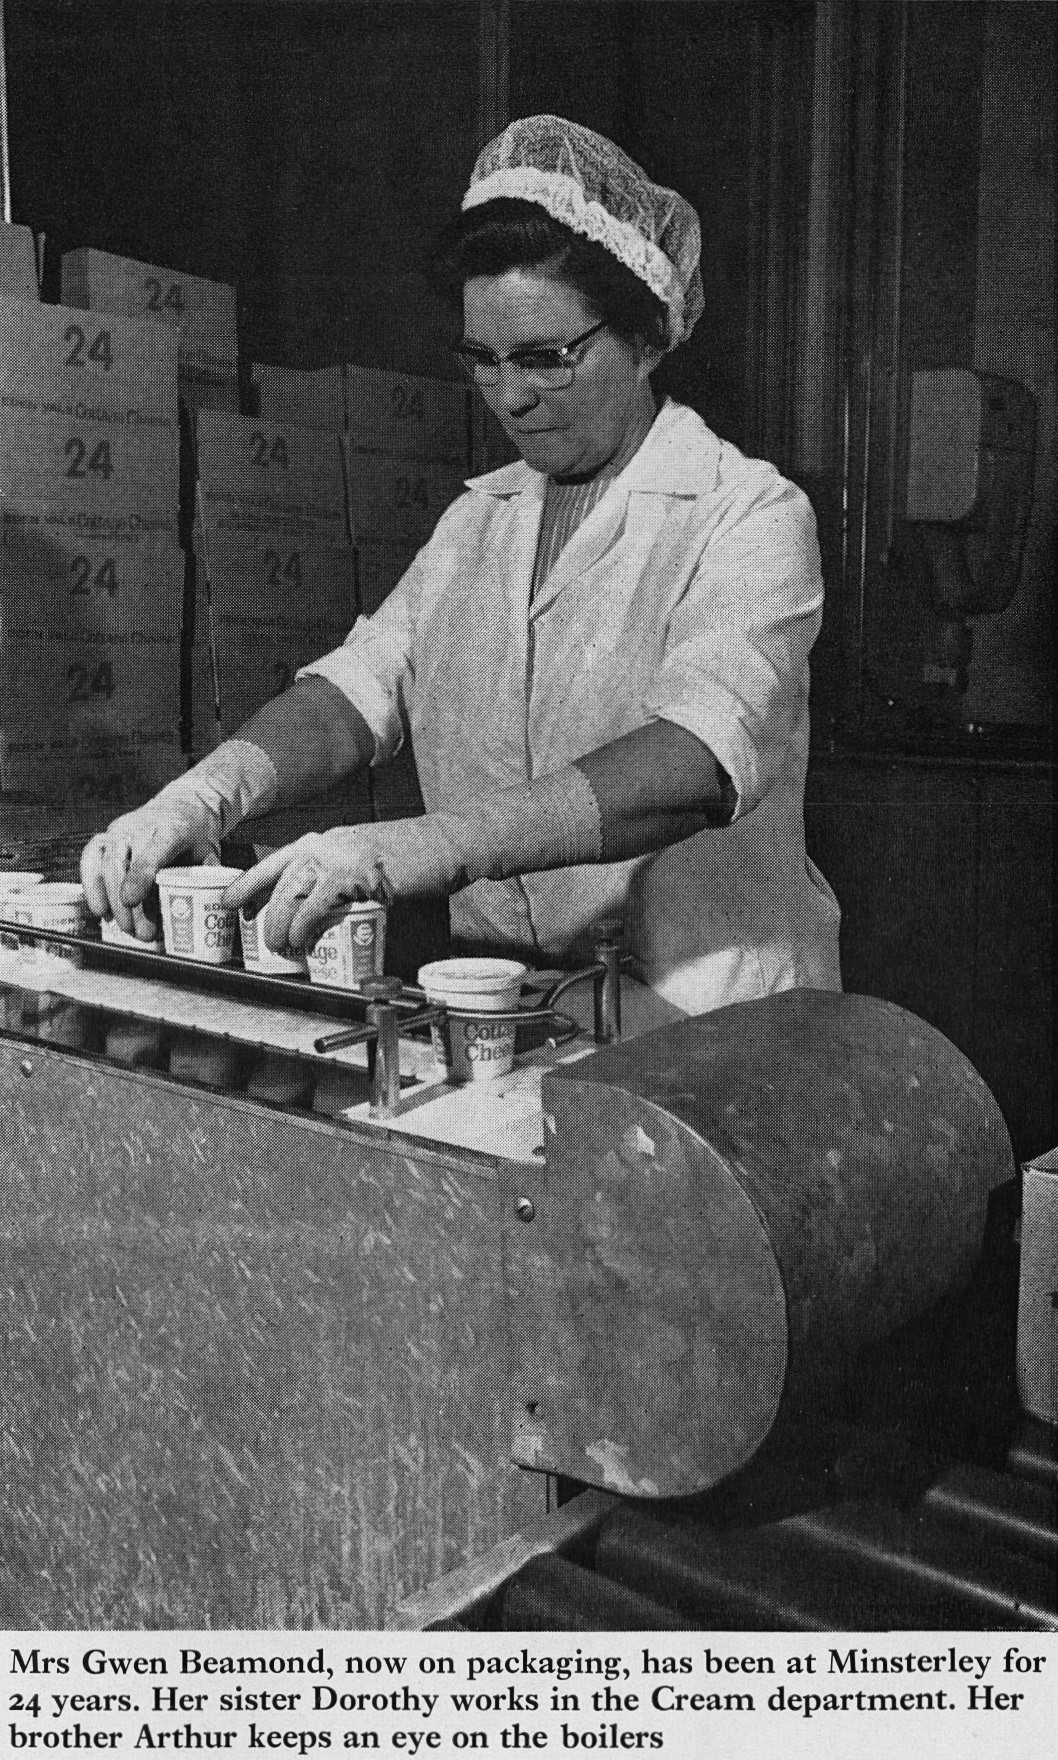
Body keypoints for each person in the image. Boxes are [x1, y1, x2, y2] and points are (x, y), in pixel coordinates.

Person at [82, 115, 841, 1021]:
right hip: (526, 1015)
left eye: (547, 359)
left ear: (646, 338)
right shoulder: (481, 520)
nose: (511, 396)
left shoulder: (747, 515)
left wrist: (439, 845)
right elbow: (356, 694)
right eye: (482, 359)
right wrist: (204, 797)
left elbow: (697, 760)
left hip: (715, 1027)